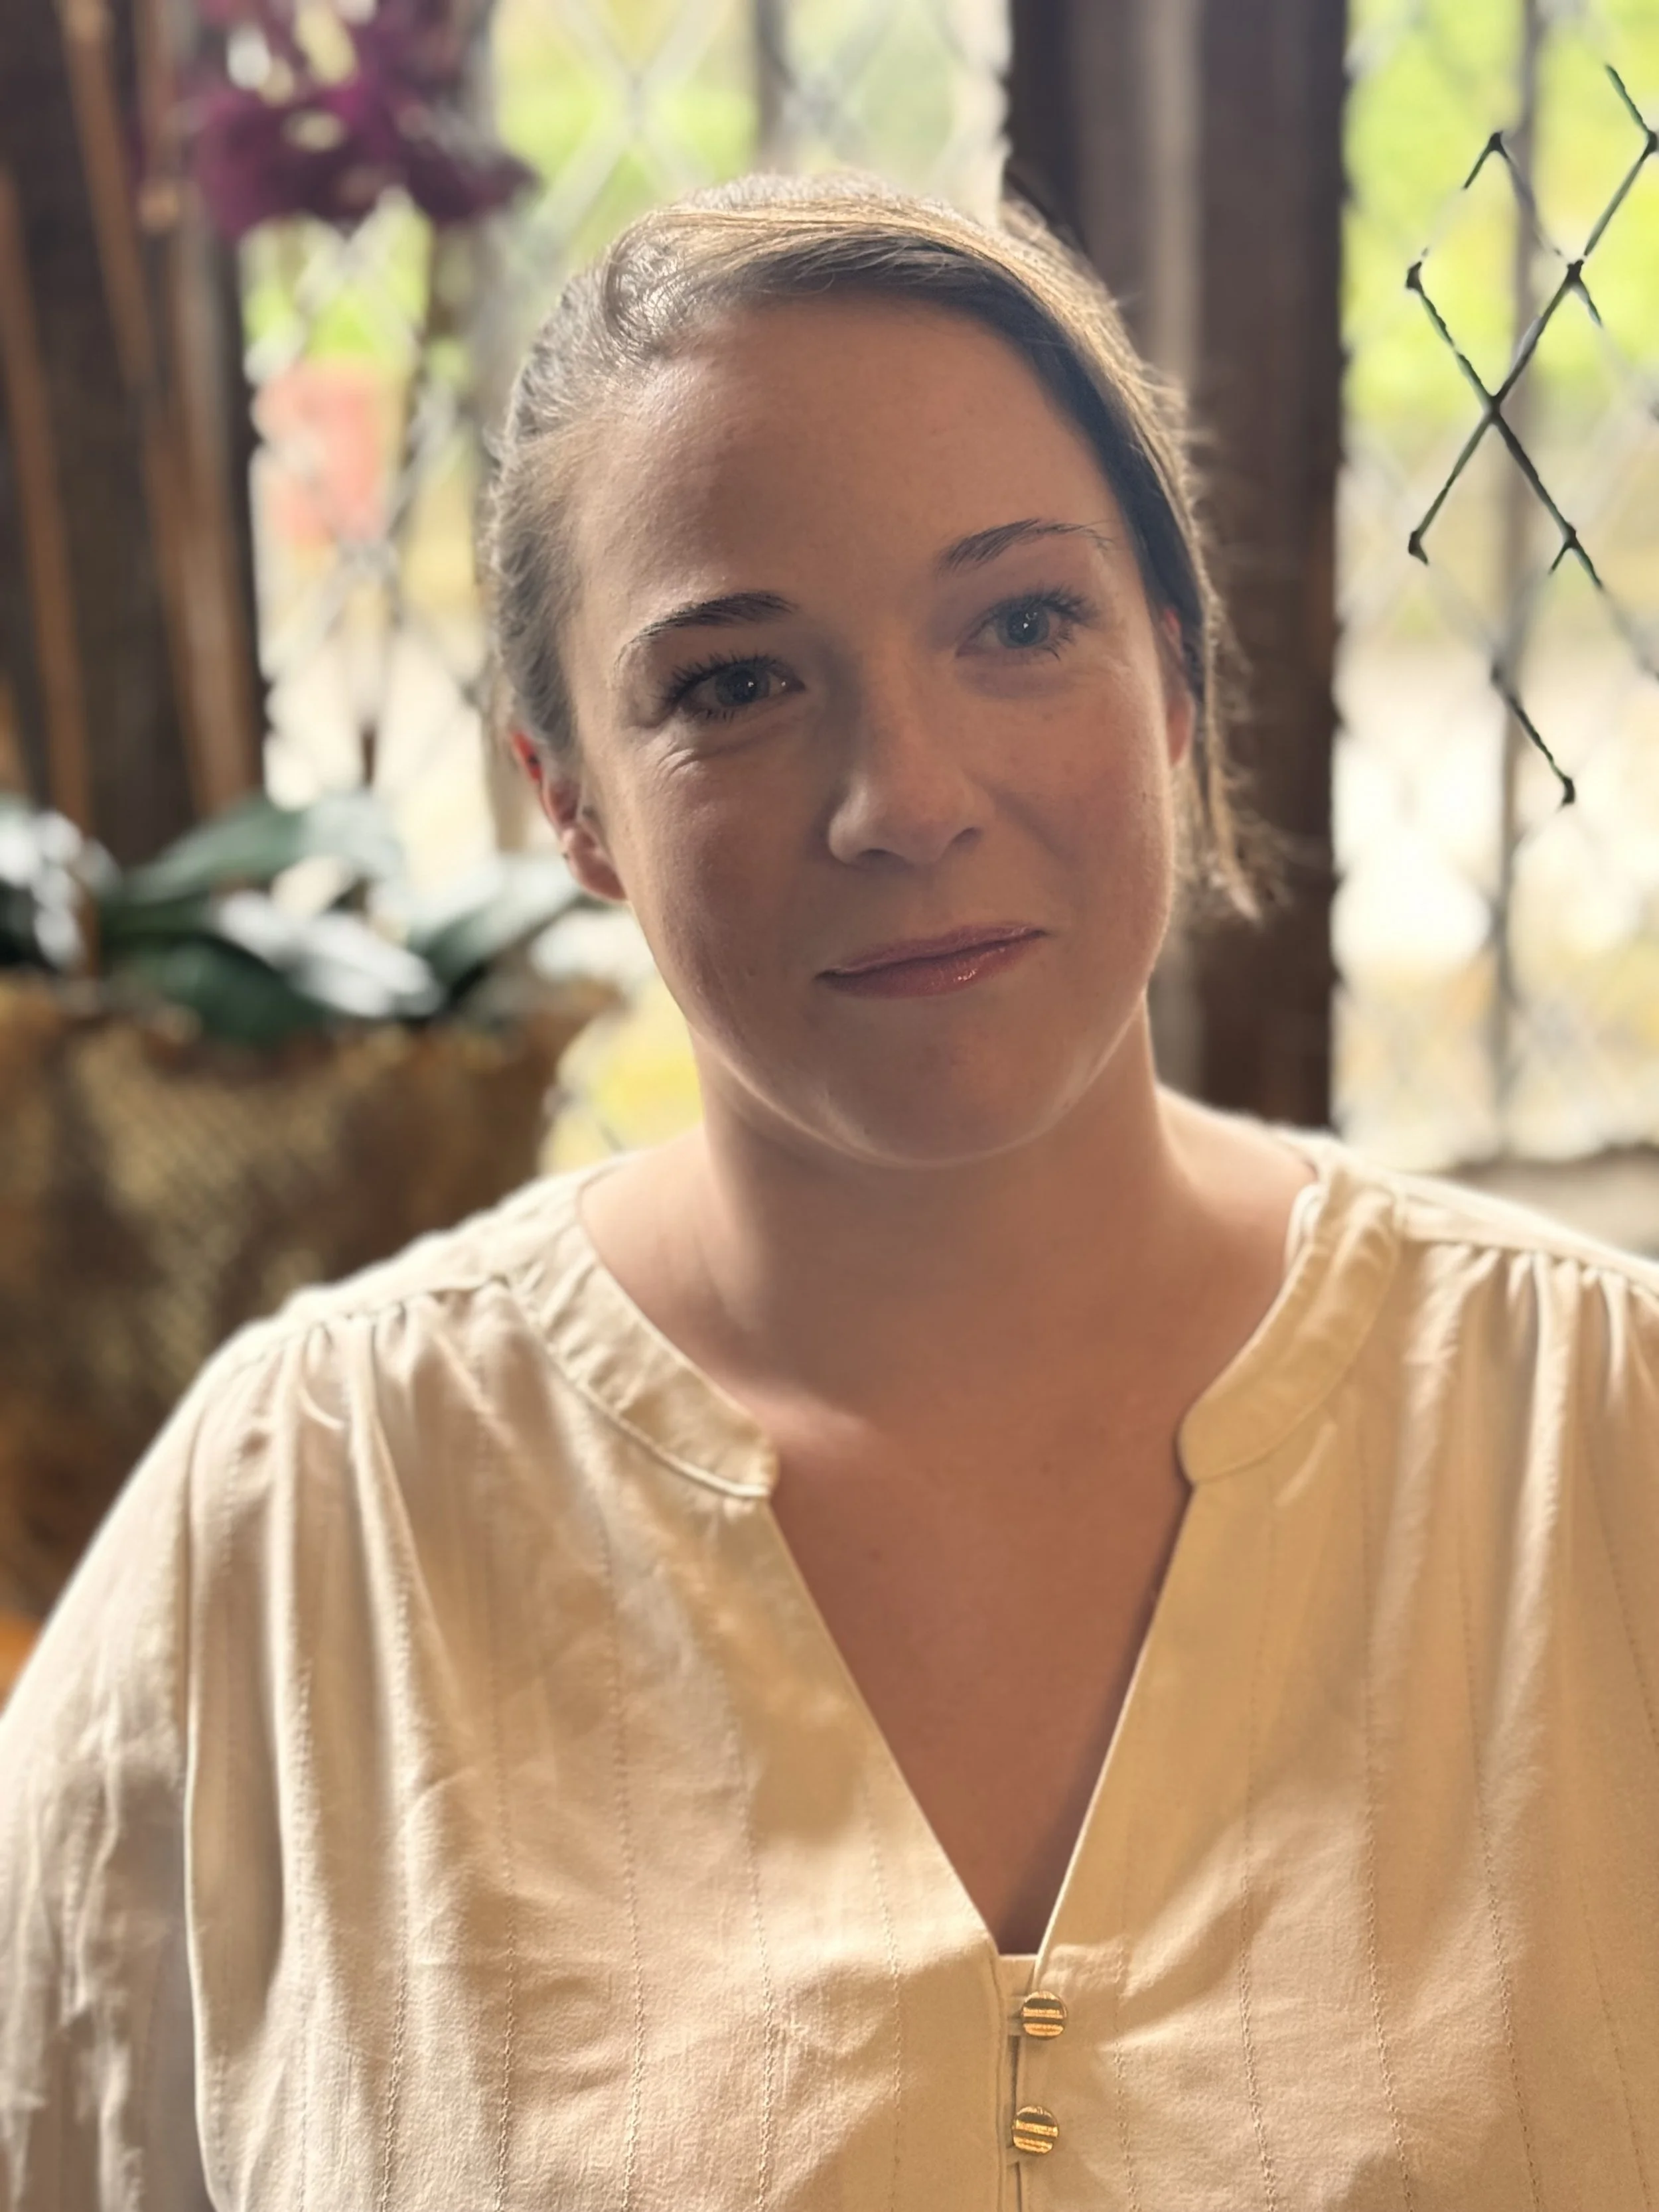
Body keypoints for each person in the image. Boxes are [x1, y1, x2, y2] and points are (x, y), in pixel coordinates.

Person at [2, 171, 1656, 2212]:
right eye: (733, 684)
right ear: (572, 801)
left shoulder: (1597, 1436)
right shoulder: (300, 1514)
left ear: (1167, 672)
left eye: (1020, 622)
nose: (910, 798)